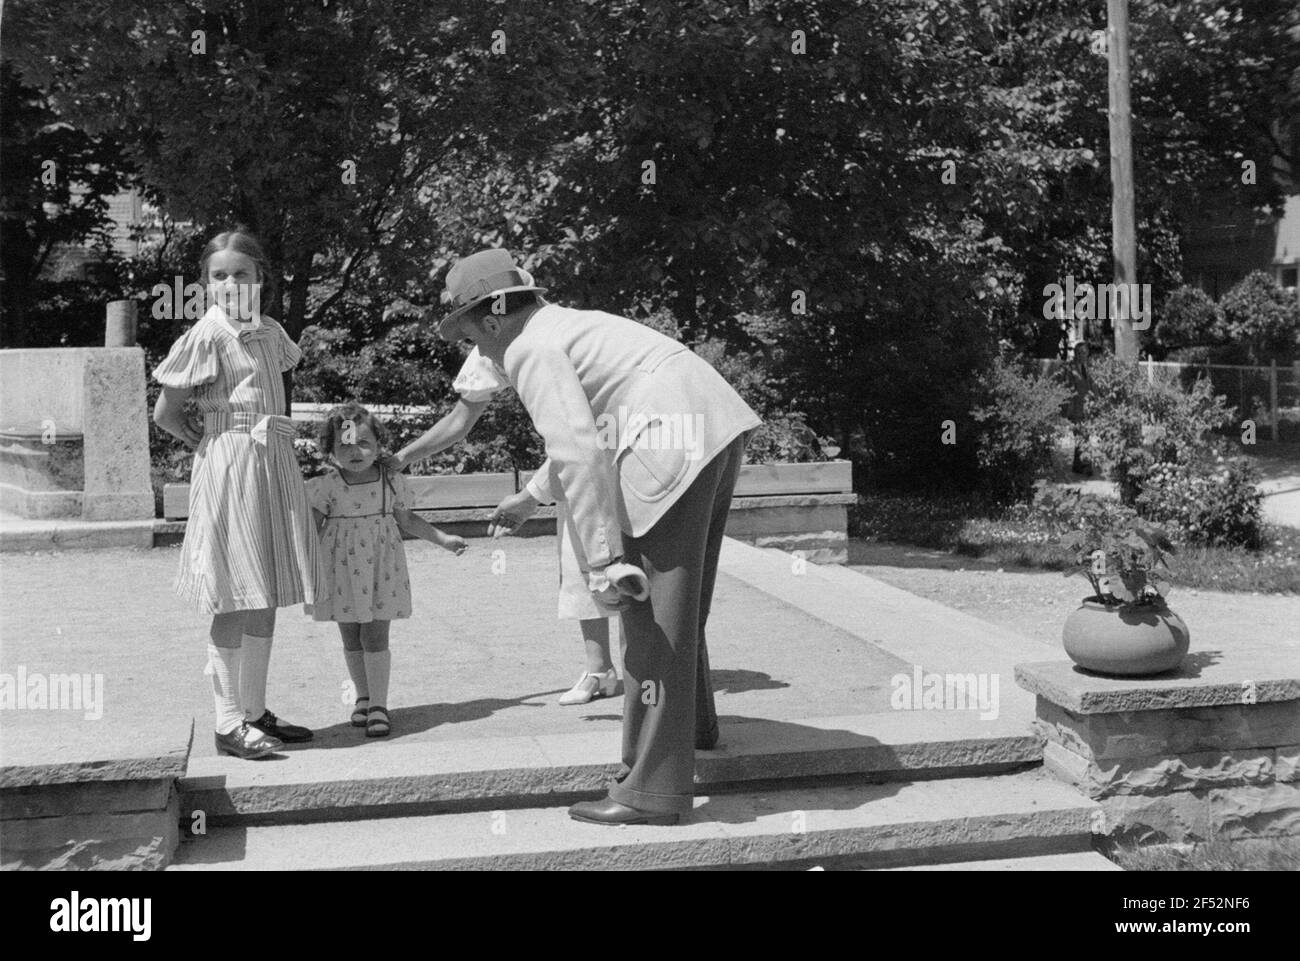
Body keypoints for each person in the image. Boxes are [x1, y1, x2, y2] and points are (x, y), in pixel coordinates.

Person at [438, 249, 761, 826]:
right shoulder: (566, 326)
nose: (481, 353)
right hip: (711, 423)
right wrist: (533, 496)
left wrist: (604, 563)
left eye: (473, 337)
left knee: (648, 614)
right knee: (677, 600)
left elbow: (579, 450)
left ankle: (652, 791)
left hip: (667, 435)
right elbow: (591, 428)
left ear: (490, 319)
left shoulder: (528, 347)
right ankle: (696, 730)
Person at [152, 229, 324, 759]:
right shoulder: (206, 335)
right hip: (230, 464)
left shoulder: (270, 331)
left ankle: (254, 710)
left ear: (260, 279)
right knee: (231, 589)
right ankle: (227, 723)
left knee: (264, 585)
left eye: (241, 274)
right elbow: (166, 413)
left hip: (271, 461)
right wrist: (210, 442)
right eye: (218, 276)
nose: (231, 284)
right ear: (205, 284)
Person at [391, 330, 620, 706]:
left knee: (632, 561)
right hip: (582, 448)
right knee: (579, 551)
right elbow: (460, 419)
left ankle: (653, 670)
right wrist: (402, 458)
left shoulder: (556, 340)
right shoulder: (489, 343)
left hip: (623, 439)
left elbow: (589, 432)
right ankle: (601, 670)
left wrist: (531, 495)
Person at [306, 404, 467, 737]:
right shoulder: (326, 486)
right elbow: (310, 530)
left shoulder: (391, 481)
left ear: (379, 444)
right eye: (344, 444)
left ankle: (379, 704)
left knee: (375, 635)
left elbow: (406, 519)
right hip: (341, 570)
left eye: (363, 443)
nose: (354, 451)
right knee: (351, 635)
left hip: (381, 567)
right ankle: (362, 697)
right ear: (330, 449)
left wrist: (443, 539)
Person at [1066, 340, 1093, 475]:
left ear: (1087, 354)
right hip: (1076, 408)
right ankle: (1086, 465)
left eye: (1084, 352)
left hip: (1088, 408)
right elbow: (1068, 389)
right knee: (1081, 437)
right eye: (1079, 352)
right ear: (1075, 354)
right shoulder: (1070, 369)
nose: (1082, 355)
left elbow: (1093, 386)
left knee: (1084, 437)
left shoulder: (1089, 368)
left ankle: (1078, 465)